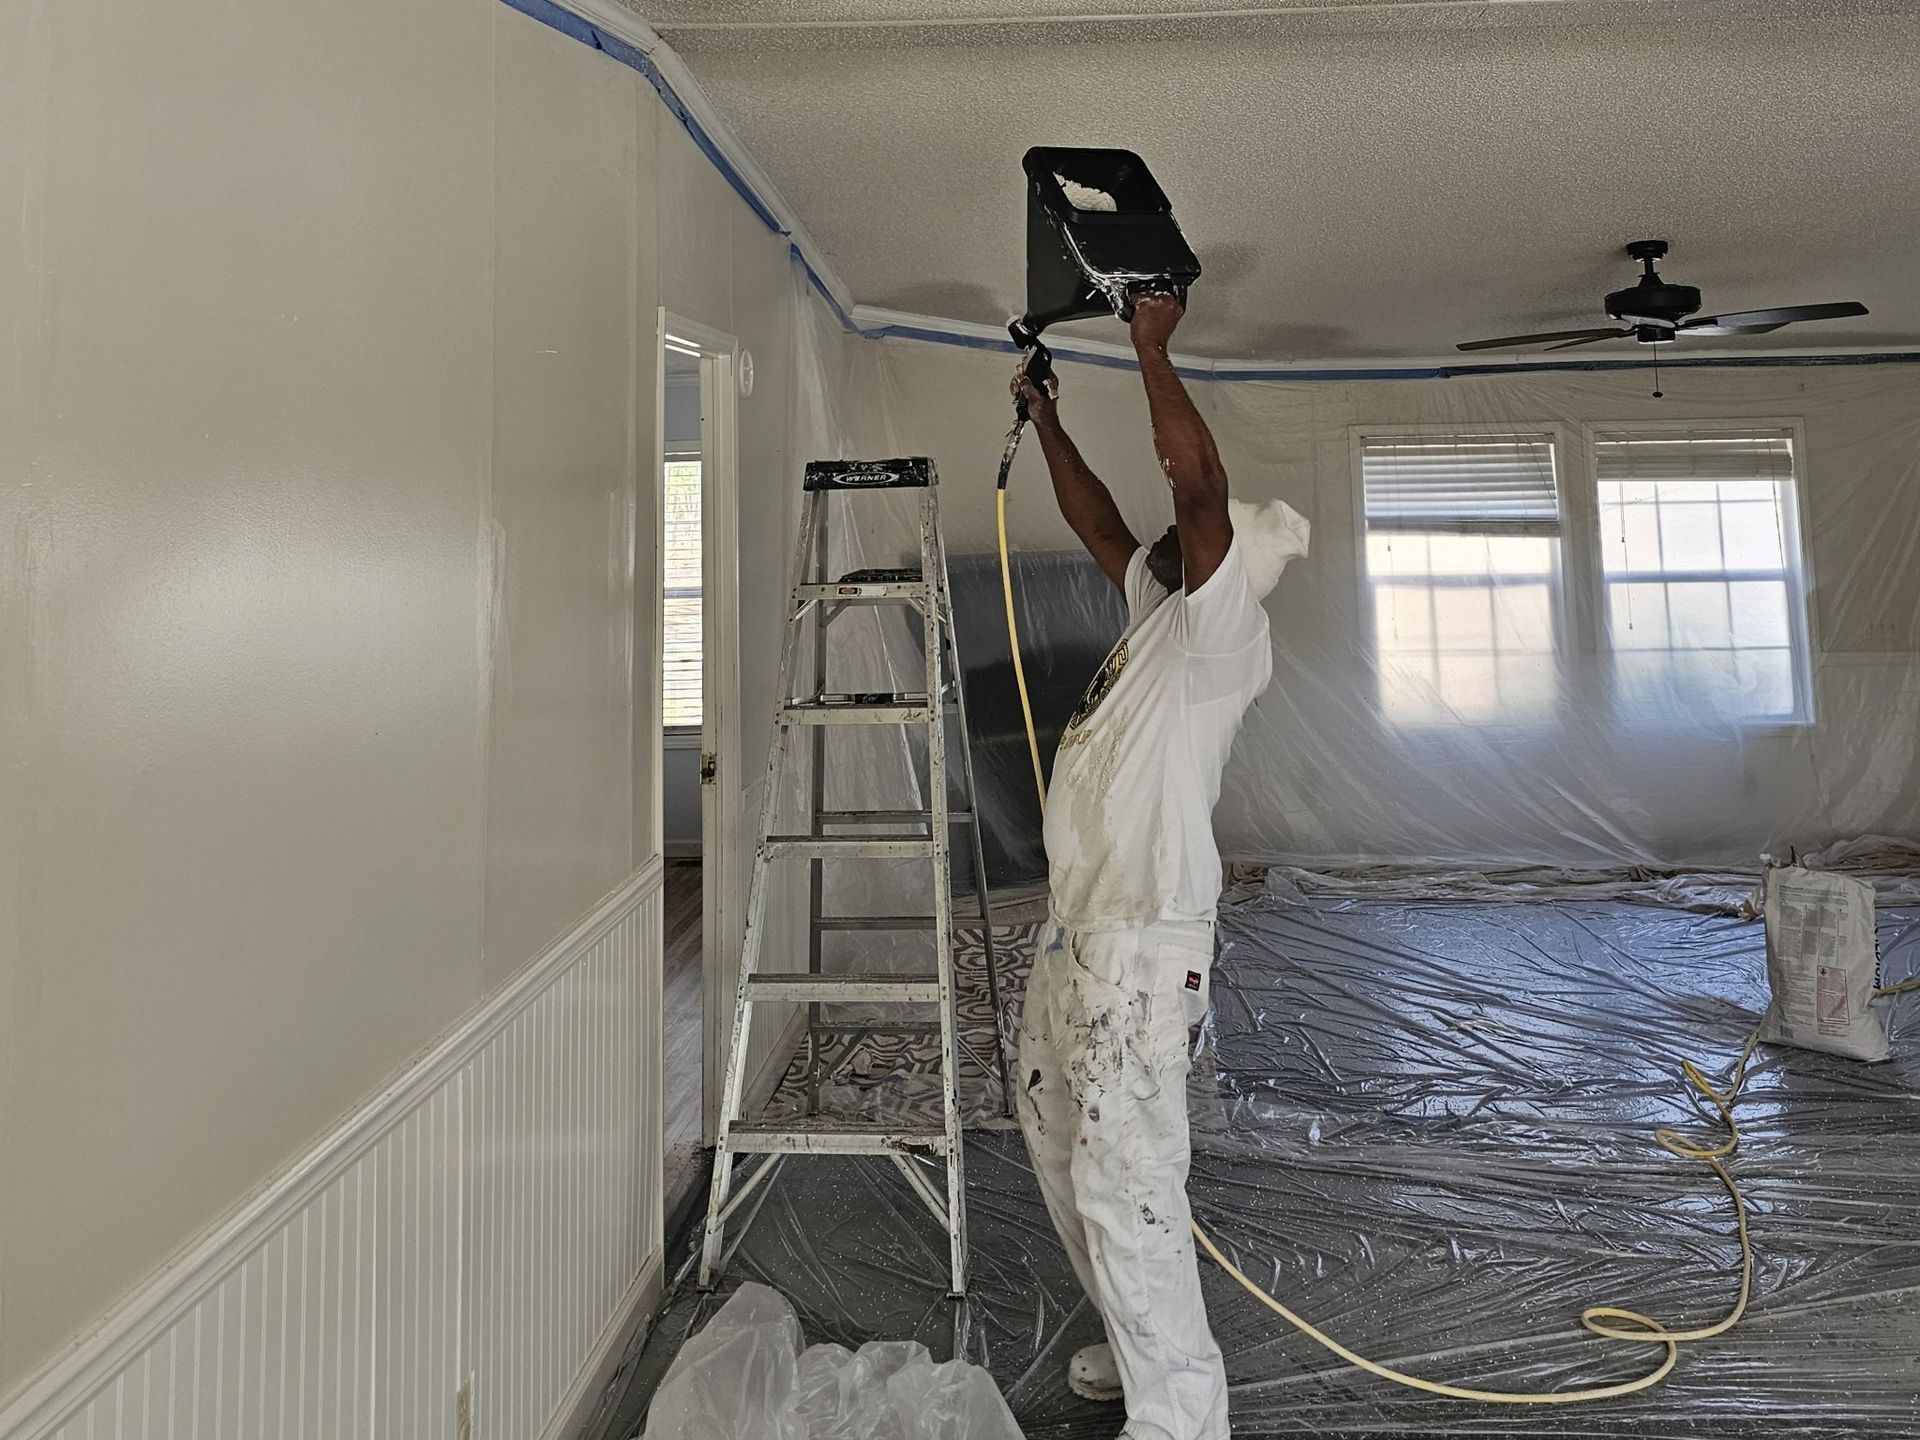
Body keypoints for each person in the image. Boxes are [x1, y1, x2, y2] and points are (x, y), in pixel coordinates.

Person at [1010, 293, 1307, 1440]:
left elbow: (1193, 489)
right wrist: (1043, 415)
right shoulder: (1156, 606)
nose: (1178, 540)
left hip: (1142, 944)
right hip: (1075, 930)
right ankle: (1143, 1353)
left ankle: (1182, 1417)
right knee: (1060, 1144)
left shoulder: (1219, 639)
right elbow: (1100, 524)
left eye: (1203, 539)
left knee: (1127, 1175)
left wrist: (1148, 346)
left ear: (1230, 560)